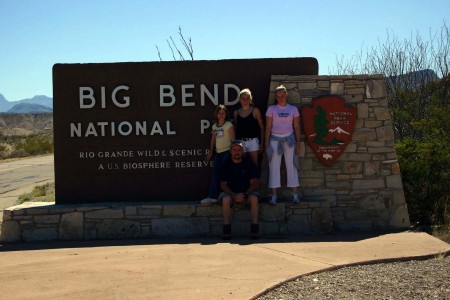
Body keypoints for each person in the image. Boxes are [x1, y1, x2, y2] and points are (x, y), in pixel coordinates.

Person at [265, 85, 302, 205]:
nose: (280, 98)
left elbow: (296, 126)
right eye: (278, 96)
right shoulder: (272, 109)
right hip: (275, 140)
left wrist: (298, 143)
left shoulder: (293, 109)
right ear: (275, 97)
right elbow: (268, 126)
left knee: (292, 166)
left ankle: (295, 195)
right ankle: (274, 195)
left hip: (289, 139)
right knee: (273, 167)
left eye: (282, 95)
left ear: (286, 95)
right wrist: (266, 143)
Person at [219, 140, 261, 239]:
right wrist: (233, 195)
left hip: (247, 194)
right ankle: (226, 229)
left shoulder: (249, 164)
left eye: (239, 150)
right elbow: (223, 185)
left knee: (254, 198)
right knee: (225, 199)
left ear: (242, 151)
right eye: (234, 150)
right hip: (231, 194)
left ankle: (254, 229)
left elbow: (255, 183)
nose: (236, 152)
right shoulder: (226, 164)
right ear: (230, 151)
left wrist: (245, 195)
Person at [201, 104, 235, 205]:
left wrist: (233, 153)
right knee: (216, 175)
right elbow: (213, 140)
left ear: (226, 115)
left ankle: (231, 196)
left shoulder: (229, 125)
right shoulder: (215, 126)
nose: (221, 115)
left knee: (227, 175)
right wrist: (211, 152)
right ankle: (213, 197)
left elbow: (233, 140)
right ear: (217, 114)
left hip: (227, 153)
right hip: (218, 153)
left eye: (223, 113)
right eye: (219, 113)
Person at [233, 88, 265, 167]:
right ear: (240, 100)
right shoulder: (236, 112)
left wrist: (262, 143)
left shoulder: (255, 111)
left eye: (247, 98)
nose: (245, 101)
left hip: (253, 142)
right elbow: (235, 128)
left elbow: (262, 127)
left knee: (254, 165)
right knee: (242, 166)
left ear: (250, 99)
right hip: (241, 142)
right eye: (243, 99)